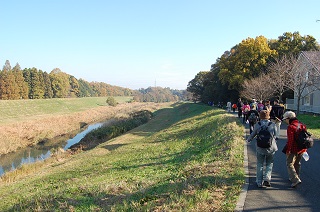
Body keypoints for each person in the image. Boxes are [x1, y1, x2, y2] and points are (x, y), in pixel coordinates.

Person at [246, 110, 278, 188]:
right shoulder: (273, 124)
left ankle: (259, 182)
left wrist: (248, 140)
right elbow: (276, 135)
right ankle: (267, 178)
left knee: (260, 164)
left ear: (260, 116)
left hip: (260, 147)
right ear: (268, 116)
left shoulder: (258, 124)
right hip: (271, 147)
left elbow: (253, 134)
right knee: (269, 163)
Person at [282, 111, 307, 188]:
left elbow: (291, 140)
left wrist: (288, 150)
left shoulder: (291, 127)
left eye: (285, 119)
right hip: (302, 148)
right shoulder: (302, 125)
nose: (285, 121)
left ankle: (295, 179)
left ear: (289, 118)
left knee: (289, 163)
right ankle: (297, 176)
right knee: (297, 163)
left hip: (294, 148)